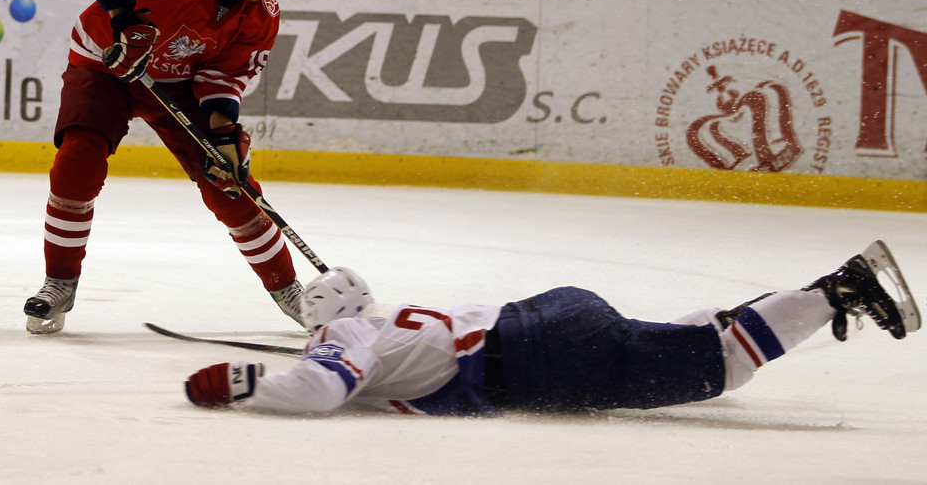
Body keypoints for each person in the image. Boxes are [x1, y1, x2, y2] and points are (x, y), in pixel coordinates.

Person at [184, 240, 921, 415]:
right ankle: (825, 295)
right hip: (551, 320)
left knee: (715, 365)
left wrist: (243, 386)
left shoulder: (347, 341)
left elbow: (320, 390)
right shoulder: (384, 323)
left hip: (540, 356)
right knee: (687, 340)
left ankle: (839, 290)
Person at [24, 0, 306, 335]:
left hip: (179, 85)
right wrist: (125, 21)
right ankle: (60, 282)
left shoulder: (261, 15)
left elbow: (224, 77)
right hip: (106, 64)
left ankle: (289, 290)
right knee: (77, 161)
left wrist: (225, 135)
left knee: (229, 182)